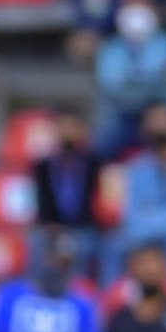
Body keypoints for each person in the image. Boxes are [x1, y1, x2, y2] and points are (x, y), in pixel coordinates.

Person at [106, 102, 166, 283]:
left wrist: (151, 215)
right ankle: (113, 304)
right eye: (154, 122)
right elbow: (131, 223)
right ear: (144, 130)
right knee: (113, 244)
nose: (160, 128)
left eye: (165, 121)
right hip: (145, 243)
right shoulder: (136, 168)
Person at [93, 0, 166, 160]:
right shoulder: (110, 49)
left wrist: (154, 105)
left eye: (142, 7)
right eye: (131, 7)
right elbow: (110, 87)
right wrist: (146, 91)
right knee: (104, 141)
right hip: (123, 113)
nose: (136, 13)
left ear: (154, 12)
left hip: (163, 107)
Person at [31, 105, 105, 277]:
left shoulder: (95, 163)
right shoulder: (43, 165)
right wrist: (52, 228)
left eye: (72, 126)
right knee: (36, 241)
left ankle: (80, 292)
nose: (67, 131)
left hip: (84, 229)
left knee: (86, 244)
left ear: (82, 130)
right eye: (62, 126)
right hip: (51, 229)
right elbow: (41, 204)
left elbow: (100, 202)